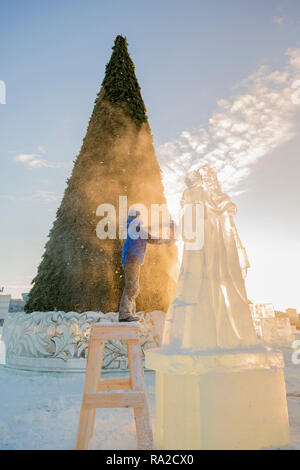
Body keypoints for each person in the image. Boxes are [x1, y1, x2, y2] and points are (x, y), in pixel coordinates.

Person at [119, 209, 175, 322]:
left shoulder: (133, 226)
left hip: (131, 260)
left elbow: (149, 230)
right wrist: (166, 241)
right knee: (132, 287)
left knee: (133, 287)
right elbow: (150, 238)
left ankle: (129, 314)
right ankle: (125, 315)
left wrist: (165, 225)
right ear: (136, 217)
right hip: (132, 260)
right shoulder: (136, 227)